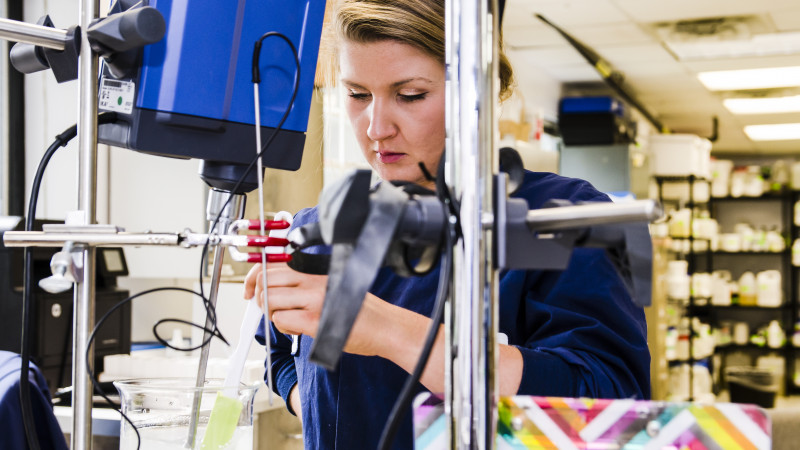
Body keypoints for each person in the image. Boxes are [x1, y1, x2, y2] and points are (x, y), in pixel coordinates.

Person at [247, 0, 650, 448]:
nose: (376, 127)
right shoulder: (320, 227)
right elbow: (277, 351)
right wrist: (313, 404)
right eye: (358, 95)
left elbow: (612, 409)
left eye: (410, 95)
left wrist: (388, 331)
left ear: (476, 93)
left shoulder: (566, 217)